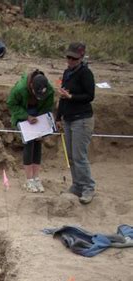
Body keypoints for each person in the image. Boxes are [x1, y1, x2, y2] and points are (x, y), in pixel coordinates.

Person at [56, 42, 96, 204]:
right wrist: (58, 117)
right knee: (71, 156)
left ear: (80, 58)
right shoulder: (67, 73)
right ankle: (77, 184)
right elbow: (62, 96)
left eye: (73, 58)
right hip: (69, 118)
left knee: (80, 156)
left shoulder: (86, 73)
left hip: (82, 119)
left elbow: (90, 96)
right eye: (68, 57)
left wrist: (72, 97)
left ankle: (88, 187)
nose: (70, 60)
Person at [7, 70, 54, 193]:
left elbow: (48, 107)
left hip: (39, 117)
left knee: (38, 143)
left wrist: (42, 128)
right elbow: (11, 104)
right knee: (29, 142)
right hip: (23, 116)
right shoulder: (20, 88)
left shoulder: (49, 90)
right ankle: (29, 180)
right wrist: (26, 116)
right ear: (31, 86)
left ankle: (36, 177)